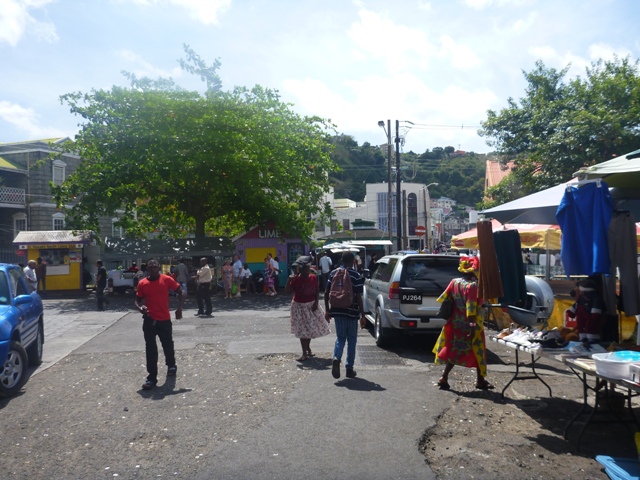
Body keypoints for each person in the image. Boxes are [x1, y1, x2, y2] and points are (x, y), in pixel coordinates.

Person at [433, 255, 493, 391]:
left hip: (455, 323)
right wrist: (472, 326)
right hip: (471, 325)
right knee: (478, 350)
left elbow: (445, 298)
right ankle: (479, 381)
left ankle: (445, 377)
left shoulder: (454, 282)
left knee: (455, 349)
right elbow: (470, 308)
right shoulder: (472, 286)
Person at [135, 258, 184, 390]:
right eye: (150, 267)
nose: (152, 269)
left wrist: (179, 308)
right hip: (149, 320)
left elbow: (181, 291)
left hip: (164, 319)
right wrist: (140, 308)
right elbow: (137, 300)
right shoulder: (142, 283)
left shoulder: (166, 279)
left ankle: (171, 365)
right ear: (147, 269)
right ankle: (152, 377)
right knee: (151, 348)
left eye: (155, 266)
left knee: (167, 344)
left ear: (159, 268)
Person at [324, 251, 366, 379]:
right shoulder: (355, 275)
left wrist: (327, 310)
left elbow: (326, 292)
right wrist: (363, 315)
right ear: (353, 261)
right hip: (351, 311)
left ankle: (336, 358)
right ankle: (349, 368)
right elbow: (358, 296)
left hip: (337, 310)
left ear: (341, 260)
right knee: (352, 340)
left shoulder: (333, 273)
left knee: (340, 338)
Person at [286, 256, 330, 362]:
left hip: (311, 305)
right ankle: (304, 353)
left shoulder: (313, 278)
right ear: (301, 270)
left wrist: (316, 302)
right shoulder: (296, 279)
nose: (308, 271)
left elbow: (316, 290)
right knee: (302, 330)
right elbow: (287, 292)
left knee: (309, 328)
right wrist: (288, 281)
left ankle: (308, 348)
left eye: (308, 268)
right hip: (299, 306)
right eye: (306, 269)